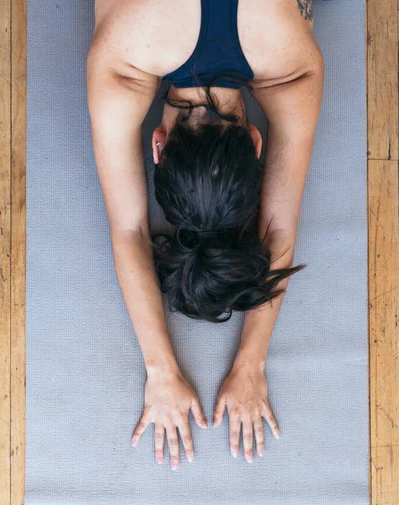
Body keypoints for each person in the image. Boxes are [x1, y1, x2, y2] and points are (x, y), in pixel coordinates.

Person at [87, 0, 324, 469]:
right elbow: (129, 230)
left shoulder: (292, 67)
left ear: (255, 143)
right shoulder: (122, 63)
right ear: (157, 147)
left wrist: (250, 364)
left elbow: (279, 228)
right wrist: (162, 370)